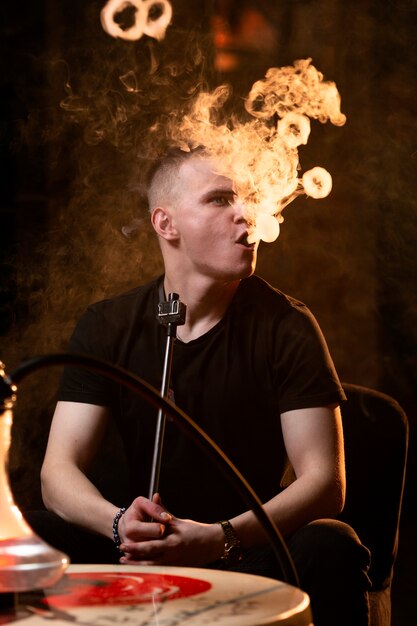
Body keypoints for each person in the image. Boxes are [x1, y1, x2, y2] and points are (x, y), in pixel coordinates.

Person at [29, 148, 371, 626]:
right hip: (133, 553)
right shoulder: (107, 325)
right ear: (166, 224)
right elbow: (57, 473)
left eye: (248, 199)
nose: (246, 214)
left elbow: (324, 484)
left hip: (244, 550)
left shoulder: (287, 325)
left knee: (329, 542)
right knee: (29, 534)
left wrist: (219, 537)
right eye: (219, 200)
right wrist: (117, 524)